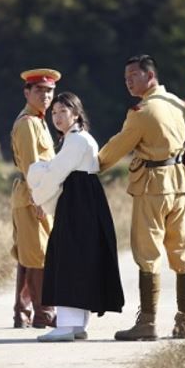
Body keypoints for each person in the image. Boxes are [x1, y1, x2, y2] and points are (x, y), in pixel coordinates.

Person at [98, 54, 185, 341]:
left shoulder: (142, 112)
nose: (128, 82)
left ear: (150, 76)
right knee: (181, 252)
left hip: (151, 186)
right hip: (179, 185)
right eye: (126, 78)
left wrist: (92, 165)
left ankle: (147, 323)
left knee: (148, 254)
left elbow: (116, 148)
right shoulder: (181, 104)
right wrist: (181, 153)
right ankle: (184, 321)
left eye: (133, 76)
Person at [27, 92, 125, 342]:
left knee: (69, 258)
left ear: (76, 114)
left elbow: (56, 173)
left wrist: (36, 194)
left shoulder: (76, 141)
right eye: (54, 112)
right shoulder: (76, 139)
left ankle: (68, 326)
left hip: (79, 202)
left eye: (63, 112)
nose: (57, 117)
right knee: (79, 258)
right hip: (82, 200)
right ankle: (77, 324)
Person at [9, 68, 61, 328]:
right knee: (38, 254)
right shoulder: (29, 123)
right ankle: (44, 313)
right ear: (27, 92)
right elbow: (32, 165)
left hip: (38, 193)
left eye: (50, 91)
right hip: (33, 195)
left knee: (30, 253)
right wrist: (39, 199)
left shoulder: (38, 120)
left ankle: (24, 312)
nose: (45, 95)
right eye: (39, 90)